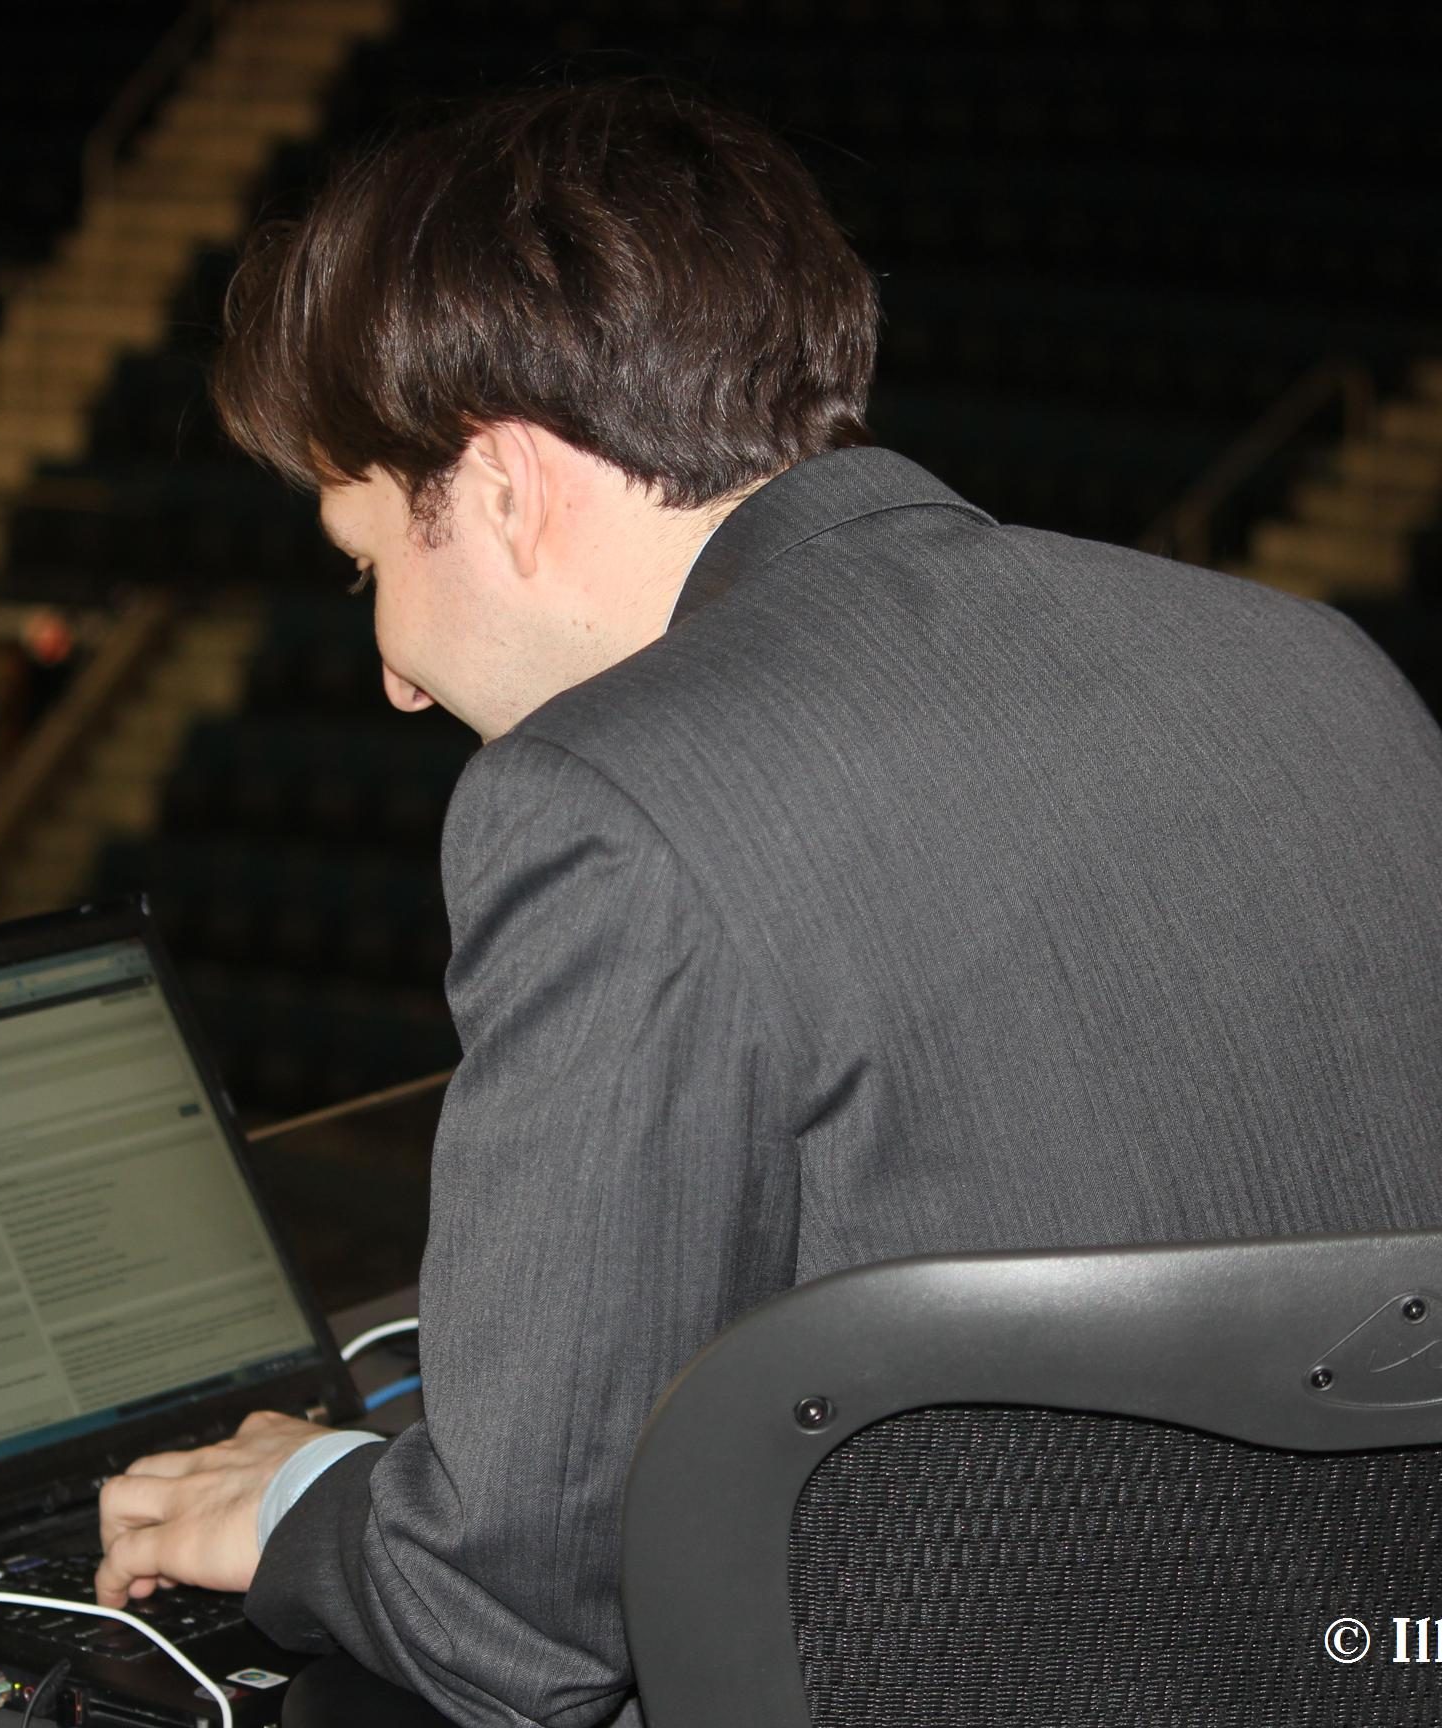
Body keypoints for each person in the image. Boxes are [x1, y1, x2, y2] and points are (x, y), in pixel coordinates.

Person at [92, 79, 1442, 1726]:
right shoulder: (1312, 661)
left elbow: (503, 1626)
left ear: (503, 483)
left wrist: (306, 1501)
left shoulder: (608, 799)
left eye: (370, 562)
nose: (391, 674)